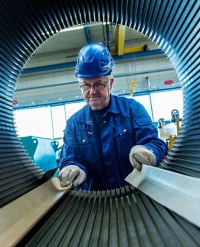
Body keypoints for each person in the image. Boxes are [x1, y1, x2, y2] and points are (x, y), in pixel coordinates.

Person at [58, 42, 168, 190]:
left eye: (98, 84)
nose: (92, 91)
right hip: (96, 201)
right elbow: (71, 158)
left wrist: (148, 151)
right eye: (86, 85)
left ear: (111, 83)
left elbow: (156, 143)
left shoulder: (132, 110)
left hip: (136, 194)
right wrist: (72, 168)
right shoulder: (74, 123)